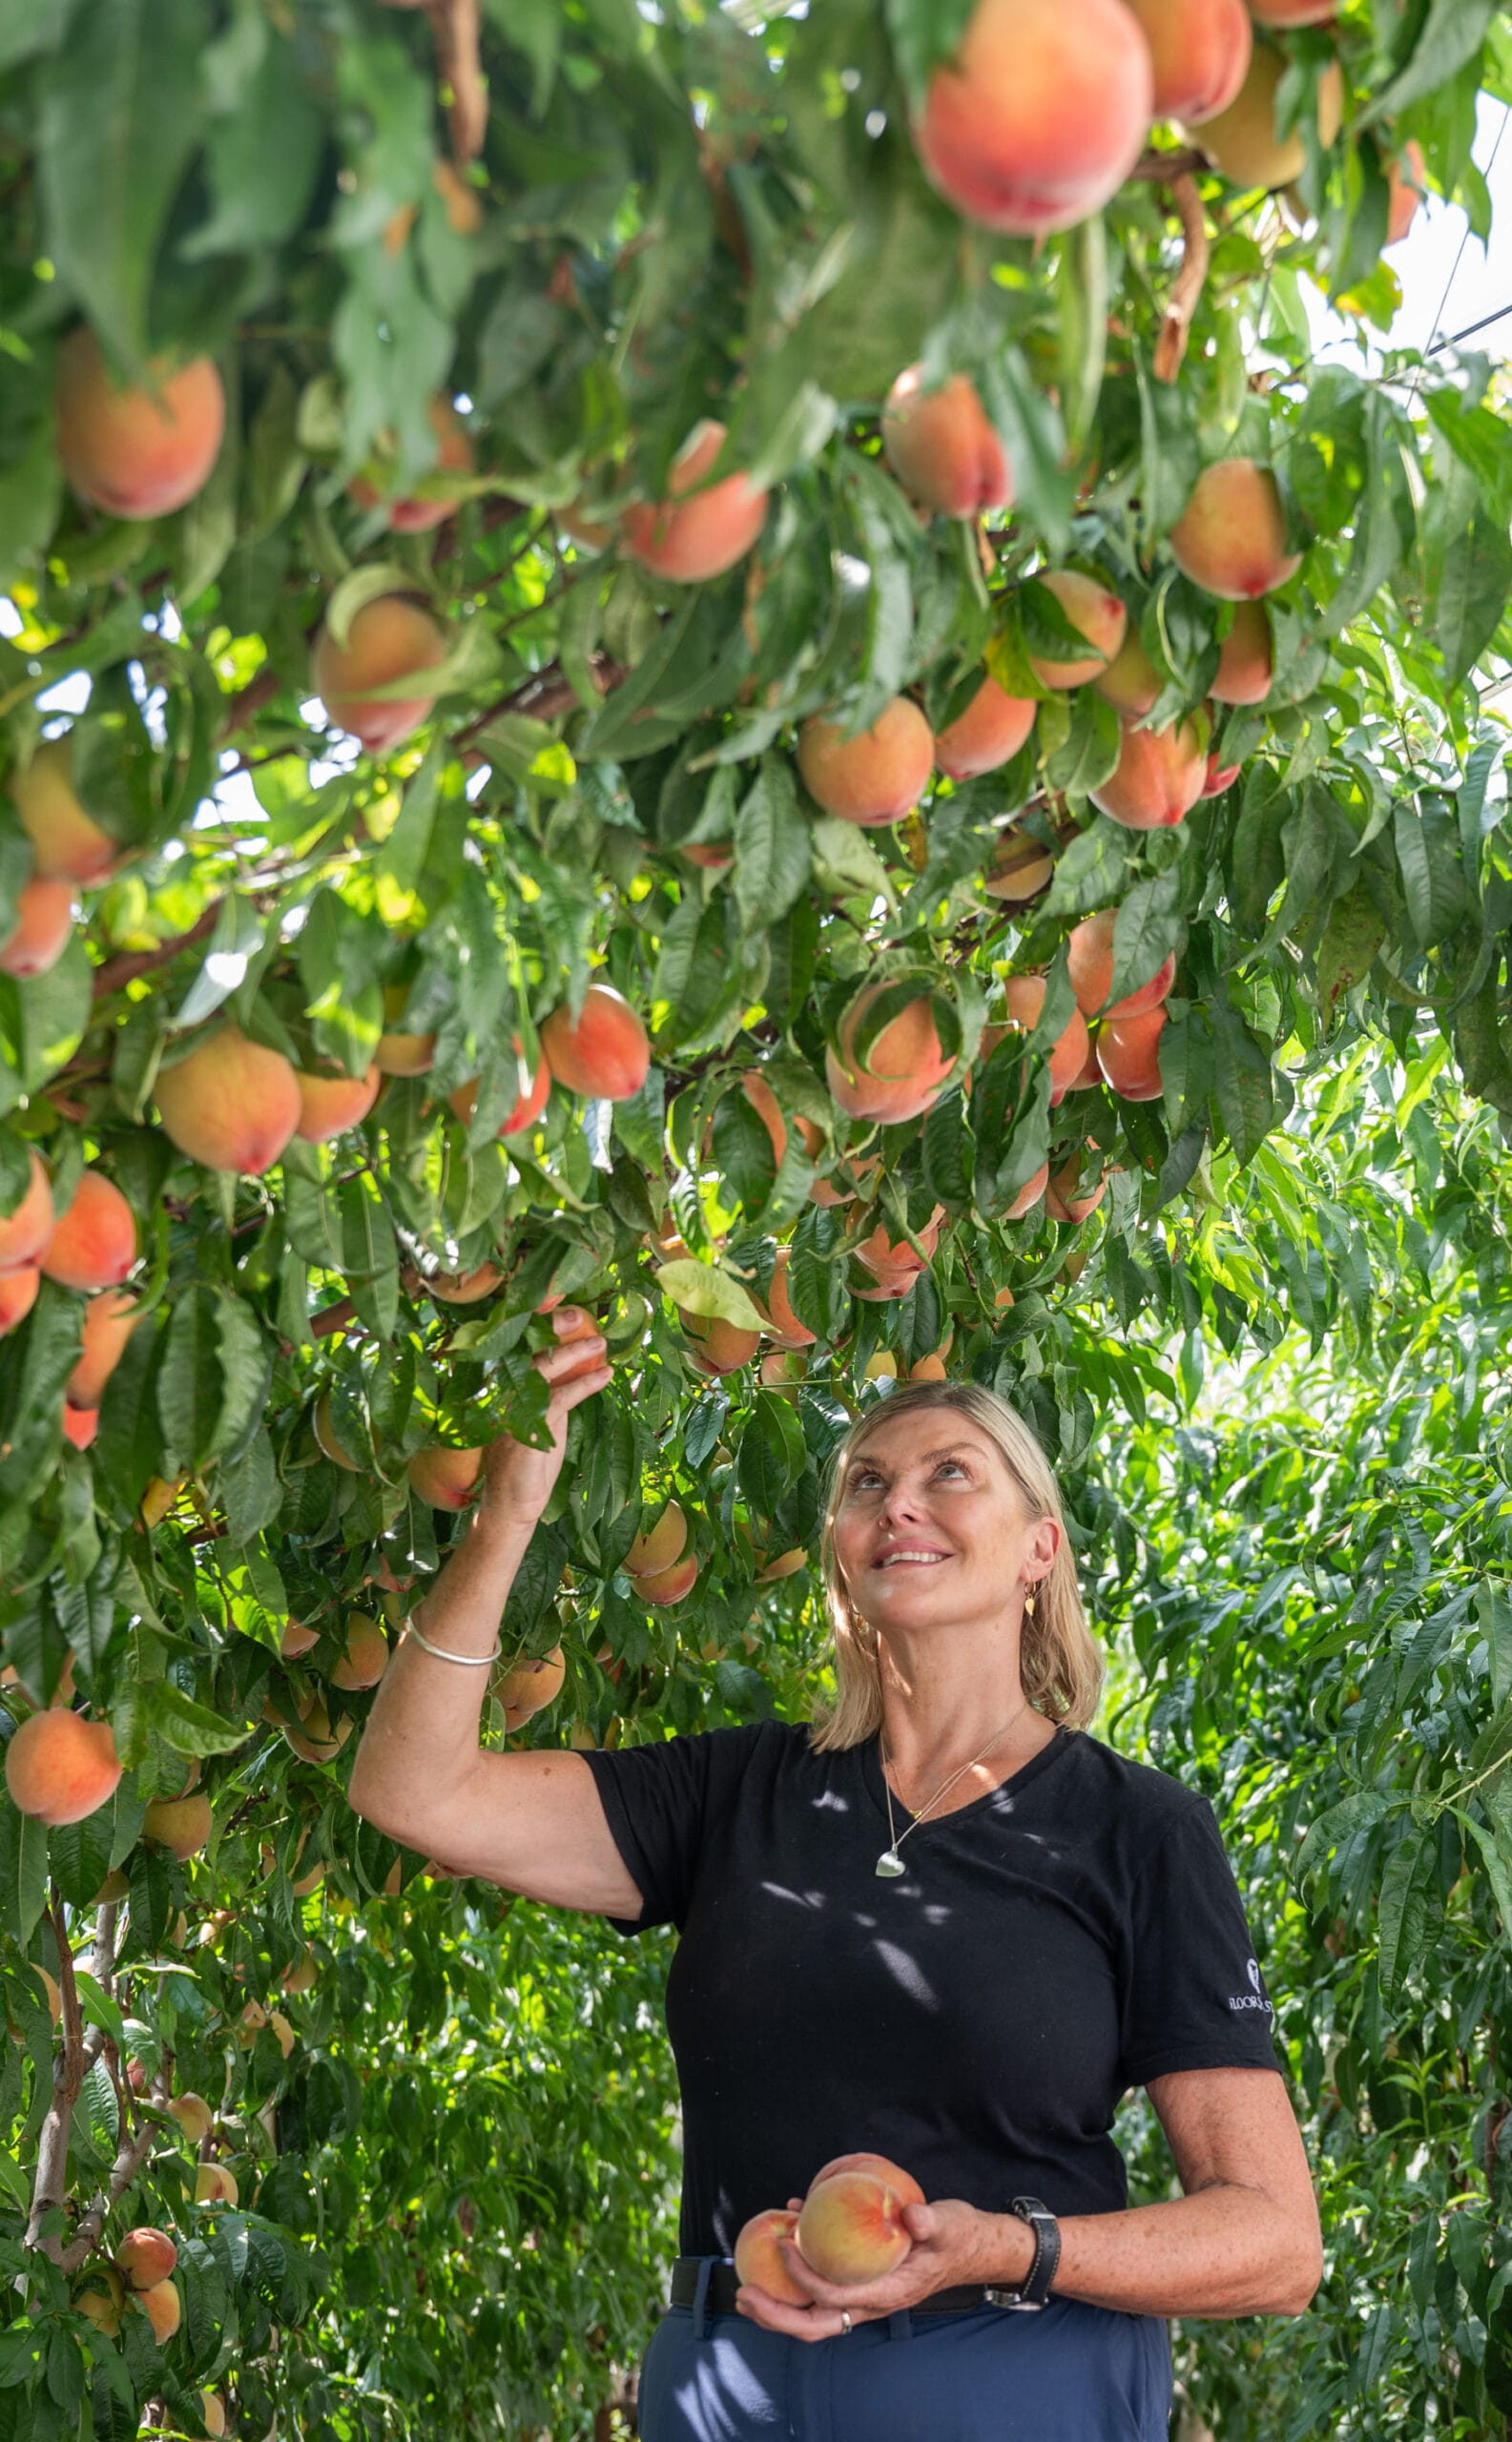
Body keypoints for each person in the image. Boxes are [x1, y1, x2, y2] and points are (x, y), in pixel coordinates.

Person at [349, 1310, 1323, 2442]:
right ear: (840, 1553)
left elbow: (1274, 2242)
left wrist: (1013, 2243)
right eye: (865, 1483)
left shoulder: (1134, 1830)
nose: (895, 1503)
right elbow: (413, 1791)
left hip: (1009, 2377)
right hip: (732, 2384)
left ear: (1037, 1549)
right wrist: (510, 1501)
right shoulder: (739, 1790)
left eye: (947, 1473)